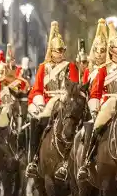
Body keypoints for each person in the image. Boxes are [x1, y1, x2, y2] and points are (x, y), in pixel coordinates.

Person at [77, 21, 117, 181]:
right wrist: (95, 109)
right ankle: (87, 160)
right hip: (109, 102)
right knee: (97, 125)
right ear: (111, 50)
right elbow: (95, 92)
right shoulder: (103, 70)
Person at [26, 22, 79, 180]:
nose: (61, 53)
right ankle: (34, 160)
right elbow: (37, 89)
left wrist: (66, 96)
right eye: (58, 50)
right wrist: (40, 103)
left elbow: (74, 86)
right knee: (38, 122)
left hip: (66, 100)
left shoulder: (70, 66)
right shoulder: (43, 67)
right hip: (49, 102)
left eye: (62, 50)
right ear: (52, 51)